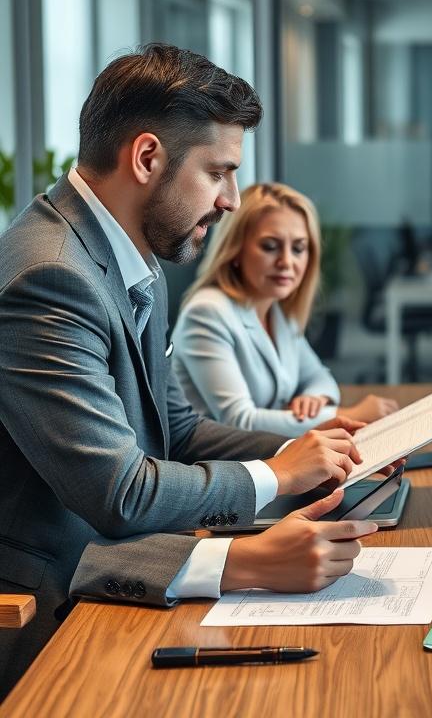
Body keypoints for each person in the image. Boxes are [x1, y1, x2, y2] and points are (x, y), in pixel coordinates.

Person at [0, 44, 382, 696]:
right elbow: (119, 496)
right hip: (56, 603)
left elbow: (176, 430)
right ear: (148, 158)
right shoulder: (52, 275)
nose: (233, 200)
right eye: (219, 172)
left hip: (125, 555)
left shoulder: (132, 257)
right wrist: (265, 495)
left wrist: (311, 449)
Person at [172, 181, 398, 436]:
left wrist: (313, 398)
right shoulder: (207, 313)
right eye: (270, 246)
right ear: (235, 250)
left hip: (273, 459)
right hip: (219, 469)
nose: (287, 262)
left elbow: (319, 376)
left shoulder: (275, 309)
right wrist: (347, 415)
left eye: (299, 248)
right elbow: (240, 421)